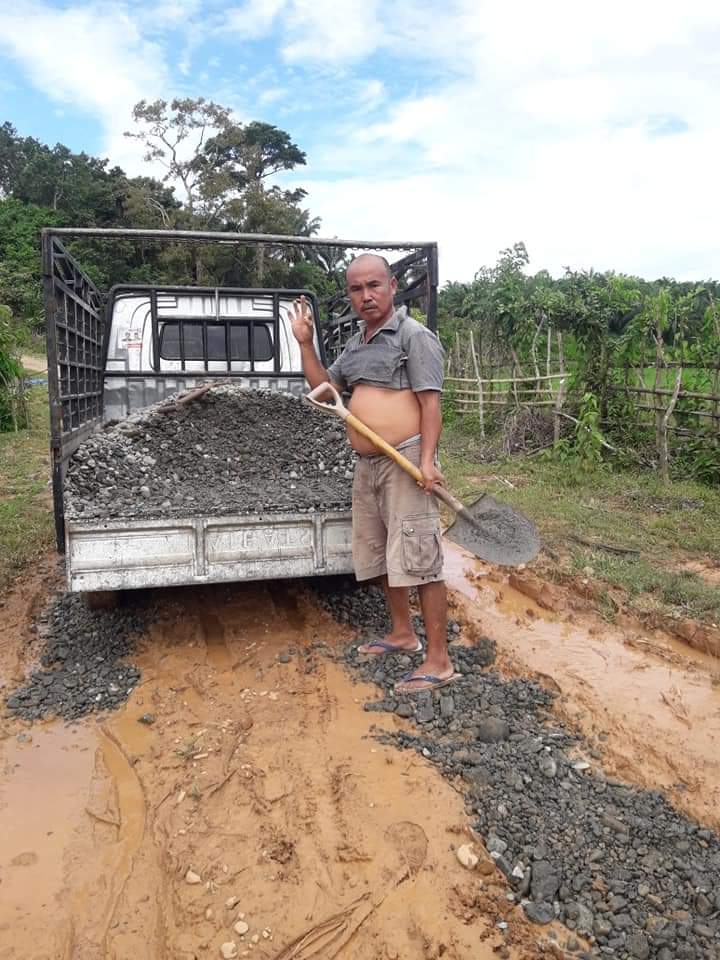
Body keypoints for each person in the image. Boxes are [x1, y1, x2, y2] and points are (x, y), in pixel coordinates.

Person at [290, 253, 455, 694]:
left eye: (373, 285)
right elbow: (325, 390)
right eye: (356, 289)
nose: (365, 296)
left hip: (404, 461)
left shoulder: (414, 337)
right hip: (368, 465)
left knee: (420, 558)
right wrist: (305, 344)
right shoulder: (357, 344)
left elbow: (431, 404)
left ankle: (439, 661)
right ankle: (403, 633)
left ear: (392, 285)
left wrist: (427, 460)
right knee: (382, 553)